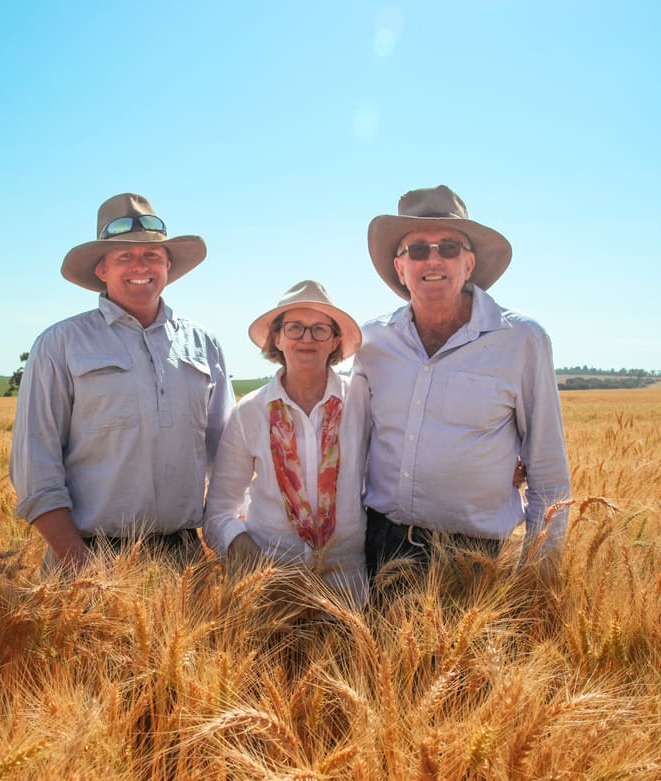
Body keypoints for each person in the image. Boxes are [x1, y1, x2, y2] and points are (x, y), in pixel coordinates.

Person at [353, 185, 571, 581]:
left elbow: (548, 470)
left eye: (448, 247)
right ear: (400, 268)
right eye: (417, 250)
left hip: (477, 560)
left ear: (468, 263)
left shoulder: (522, 339)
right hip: (380, 550)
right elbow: (348, 443)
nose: (432, 259)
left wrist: (538, 578)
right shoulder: (371, 342)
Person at [10, 193, 235, 573]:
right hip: (86, 555)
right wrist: (80, 566)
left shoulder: (203, 343)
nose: (139, 266)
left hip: (184, 558)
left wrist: (230, 545)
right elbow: (35, 466)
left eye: (151, 255)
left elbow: (229, 454)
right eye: (124, 257)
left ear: (167, 264)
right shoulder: (60, 343)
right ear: (102, 269)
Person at [205, 280, 370, 607]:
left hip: (350, 591)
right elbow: (219, 512)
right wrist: (242, 550)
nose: (307, 339)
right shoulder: (249, 413)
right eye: (295, 328)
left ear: (335, 340)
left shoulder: (364, 402)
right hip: (271, 596)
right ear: (277, 339)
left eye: (319, 329)